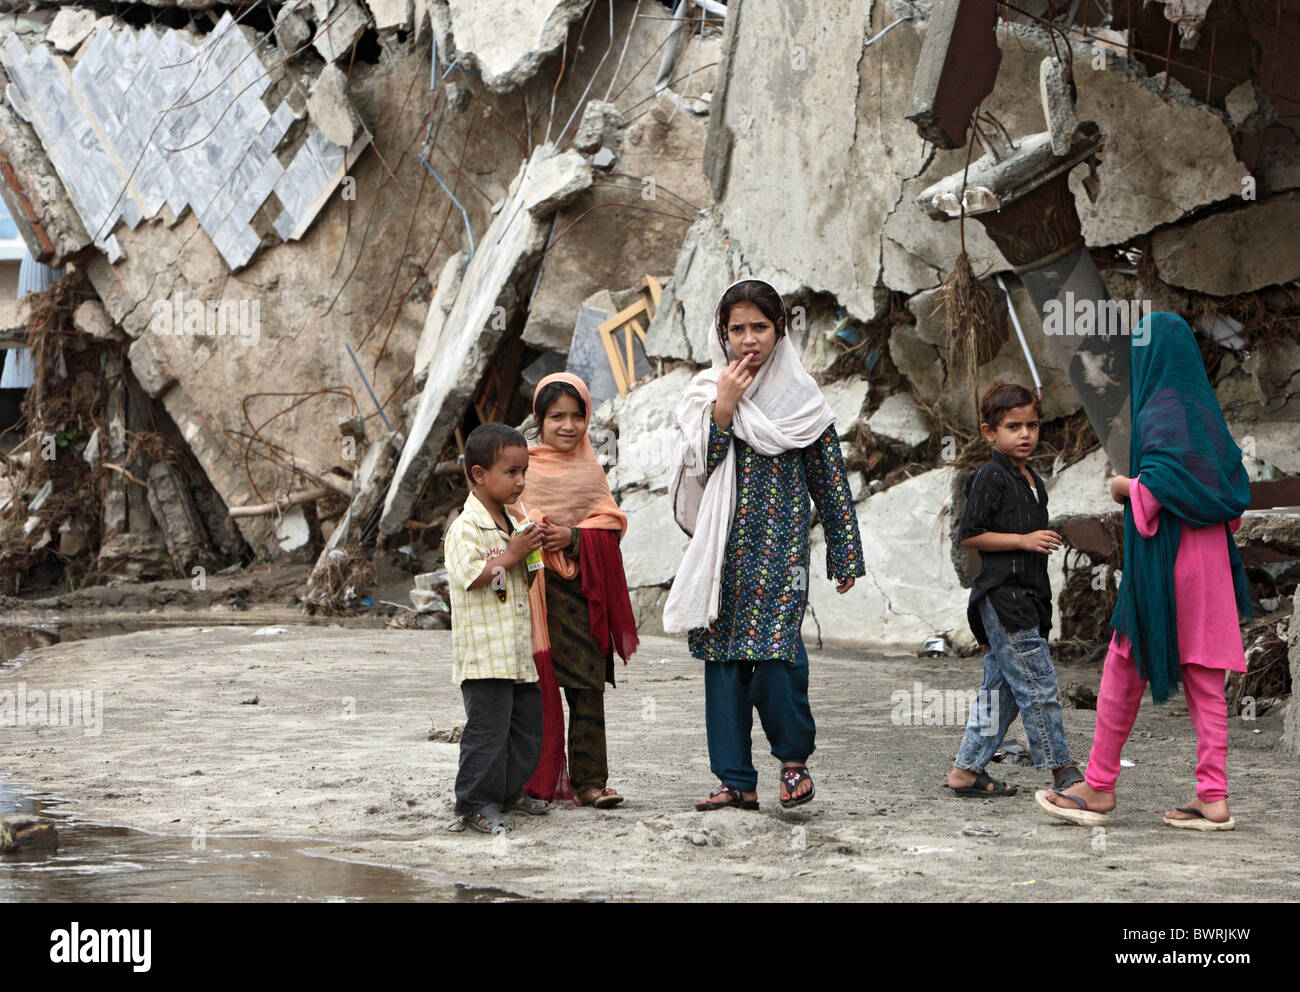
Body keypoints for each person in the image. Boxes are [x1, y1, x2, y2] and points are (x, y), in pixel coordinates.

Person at [1037, 313, 1252, 831]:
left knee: (1123, 661)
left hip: (1169, 562)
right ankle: (1213, 798)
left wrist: (1121, 487)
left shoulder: (1161, 411)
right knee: (1203, 673)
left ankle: (1099, 785)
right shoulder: (1206, 414)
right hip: (1212, 565)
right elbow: (1232, 501)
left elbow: (1157, 490)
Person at [665, 278, 865, 812]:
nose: (749, 339)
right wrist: (724, 410)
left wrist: (844, 553)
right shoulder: (706, 394)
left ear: (780, 329)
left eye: (760, 326)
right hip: (722, 557)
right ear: (722, 334)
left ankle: (794, 762)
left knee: (780, 660)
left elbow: (830, 482)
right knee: (724, 667)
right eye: (737, 329)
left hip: (781, 557)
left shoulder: (802, 400)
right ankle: (736, 782)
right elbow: (696, 472)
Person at [946, 382, 1081, 798]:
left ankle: (966, 772)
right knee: (1039, 684)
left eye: (1032, 426)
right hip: (1004, 598)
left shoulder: (1031, 478)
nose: (1025, 435)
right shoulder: (989, 476)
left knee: (1000, 693)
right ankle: (1062, 769)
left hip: (1030, 598)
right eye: (1013, 427)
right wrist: (1023, 540)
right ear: (990, 432)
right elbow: (970, 534)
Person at [517, 373, 639, 810]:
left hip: (584, 593)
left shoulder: (590, 468)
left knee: (587, 689)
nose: (567, 426)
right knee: (534, 691)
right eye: (556, 417)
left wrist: (572, 537)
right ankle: (534, 781)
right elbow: (500, 520)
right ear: (539, 418)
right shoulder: (520, 465)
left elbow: (609, 525)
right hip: (533, 592)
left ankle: (590, 782)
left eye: (577, 416)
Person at [443, 423, 548, 834]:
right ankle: (473, 803)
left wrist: (530, 553)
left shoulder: (511, 521)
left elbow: (526, 579)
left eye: (524, 472)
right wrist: (513, 552)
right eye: (511, 472)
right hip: (486, 656)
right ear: (479, 475)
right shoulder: (465, 528)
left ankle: (508, 792)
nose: (520, 481)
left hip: (517, 653)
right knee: (486, 733)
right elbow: (474, 575)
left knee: (524, 727)